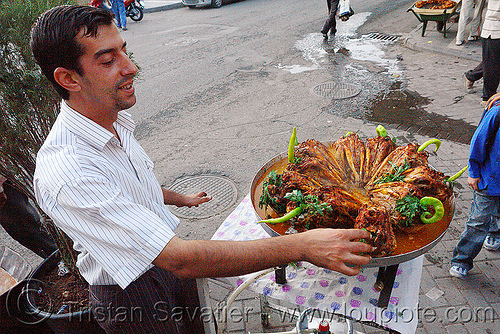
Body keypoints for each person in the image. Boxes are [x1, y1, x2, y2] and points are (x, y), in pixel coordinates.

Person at [30, 5, 373, 333]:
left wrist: (177, 197)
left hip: (167, 266)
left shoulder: (111, 120)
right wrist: (302, 246)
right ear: (68, 79)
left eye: (124, 50)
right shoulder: (67, 170)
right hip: (131, 293)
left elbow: (128, 187)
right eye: (108, 60)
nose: (130, 67)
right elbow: (180, 259)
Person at [450, 93, 500, 279]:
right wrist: (473, 172)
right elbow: (478, 141)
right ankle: (461, 260)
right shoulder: (497, 113)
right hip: (489, 180)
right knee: (478, 222)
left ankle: (495, 233)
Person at [0, 175, 57, 258]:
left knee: (31, 228)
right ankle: (57, 259)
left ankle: (64, 257)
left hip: (5, 189)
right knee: (23, 234)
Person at [463, 0, 500, 106]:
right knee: (492, 66)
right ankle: (487, 98)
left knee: (491, 62)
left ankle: (471, 76)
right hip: (494, 31)